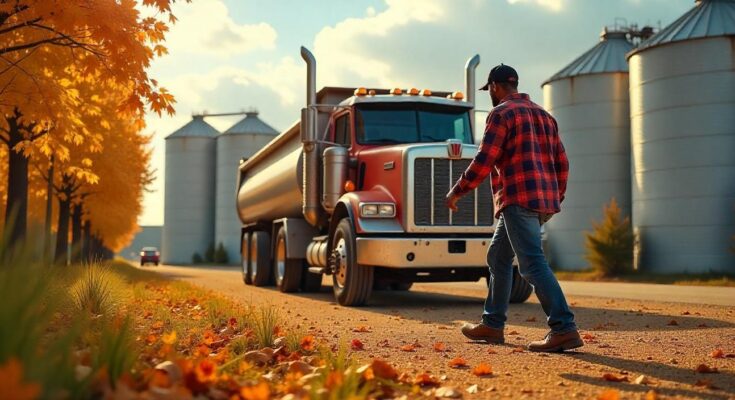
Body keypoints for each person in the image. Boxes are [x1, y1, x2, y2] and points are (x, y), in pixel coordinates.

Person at [445, 64, 582, 352]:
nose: (490, 95)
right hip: (542, 199)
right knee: (498, 257)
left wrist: (458, 191)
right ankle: (492, 325)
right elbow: (563, 163)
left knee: (532, 264)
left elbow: (484, 159)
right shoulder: (545, 116)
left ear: (494, 86)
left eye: (489, 90)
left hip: (518, 198)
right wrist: (555, 197)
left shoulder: (501, 113)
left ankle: (564, 328)